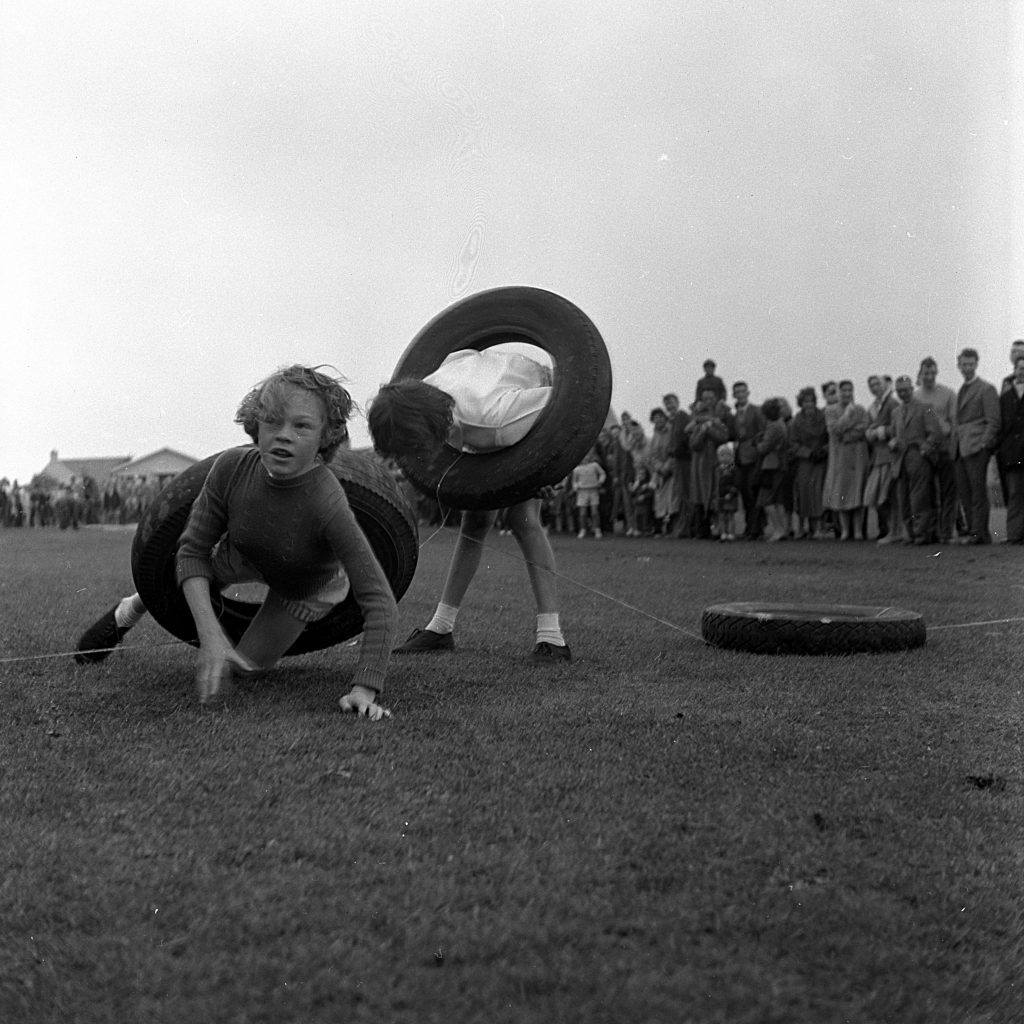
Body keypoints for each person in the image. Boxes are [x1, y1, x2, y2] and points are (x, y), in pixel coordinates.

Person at [75, 365, 398, 720]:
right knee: (175, 578)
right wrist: (210, 635)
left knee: (244, 670)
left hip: (305, 585)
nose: (284, 436)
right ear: (255, 425)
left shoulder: (328, 502)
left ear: (325, 436)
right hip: (243, 554)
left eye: (301, 426)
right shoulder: (230, 468)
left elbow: (379, 598)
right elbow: (193, 552)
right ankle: (131, 607)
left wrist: (364, 689)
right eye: (272, 421)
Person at [368, 347, 571, 663]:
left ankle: (551, 637)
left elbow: (566, 404)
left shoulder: (498, 421)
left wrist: (549, 467)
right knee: (474, 523)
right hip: (468, 377)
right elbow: (457, 355)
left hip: (522, 395)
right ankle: (441, 627)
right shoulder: (423, 393)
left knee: (523, 519)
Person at [952, 347, 1000, 545]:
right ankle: (974, 531)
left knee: (978, 492)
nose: (967, 368)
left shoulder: (986, 389)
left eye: (970, 364)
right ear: (959, 365)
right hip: (960, 448)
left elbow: (994, 421)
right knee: (965, 492)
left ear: (976, 364)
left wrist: (983, 444)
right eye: (963, 364)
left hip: (976, 448)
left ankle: (979, 533)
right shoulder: (961, 389)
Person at [889, 374, 943, 545]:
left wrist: (923, 450)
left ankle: (922, 533)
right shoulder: (896, 412)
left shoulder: (925, 407)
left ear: (912, 389)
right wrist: (892, 443)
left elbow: (935, 433)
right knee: (903, 497)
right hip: (900, 459)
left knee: (919, 497)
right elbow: (892, 434)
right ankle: (910, 533)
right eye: (899, 391)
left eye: (906, 390)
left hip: (918, 456)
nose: (903, 394)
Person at [914, 357, 958, 543]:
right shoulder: (916, 396)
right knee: (927, 492)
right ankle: (929, 532)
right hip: (925, 450)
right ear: (920, 373)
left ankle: (946, 532)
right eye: (926, 373)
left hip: (945, 448)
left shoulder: (948, 394)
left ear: (936, 373)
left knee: (948, 492)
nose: (929, 376)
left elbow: (954, 422)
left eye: (932, 373)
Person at [823, 380, 869, 540]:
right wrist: (847, 416)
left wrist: (847, 435)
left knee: (857, 492)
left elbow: (863, 428)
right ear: (839, 392)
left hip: (857, 455)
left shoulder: (861, 410)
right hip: (840, 456)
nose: (847, 394)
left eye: (850, 391)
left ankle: (857, 530)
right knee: (841, 492)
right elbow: (834, 430)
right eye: (844, 391)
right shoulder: (830, 410)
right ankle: (845, 530)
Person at [686, 388, 730, 538]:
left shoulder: (719, 419)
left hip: (715, 462)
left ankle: (719, 528)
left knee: (714, 495)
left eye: (711, 398)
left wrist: (709, 429)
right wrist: (703, 430)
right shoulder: (697, 423)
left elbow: (723, 437)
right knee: (699, 496)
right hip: (699, 464)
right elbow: (693, 444)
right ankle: (702, 529)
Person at [863, 374, 901, 543]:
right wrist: (871, 433)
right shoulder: (874, 406)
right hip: (878, 457)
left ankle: (895, 531)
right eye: (871, 385)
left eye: (877, 384)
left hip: (889, 456)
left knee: (889, 496)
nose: (874, 387)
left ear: (885, 385)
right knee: (879, 496)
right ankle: (892, 530)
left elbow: (898, 427)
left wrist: (879, 432)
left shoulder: (892, 403)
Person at [788, 386, 829, 539]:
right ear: (801, 403)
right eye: (805, 401)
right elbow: (793, 443)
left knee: (817, 492)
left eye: (811, 401)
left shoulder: (823, 417)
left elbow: (829, 437)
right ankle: (801, 527)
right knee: (803, 492)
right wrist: (807, 453)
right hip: (805, 460)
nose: (808, 404)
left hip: (821, 459)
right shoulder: (796, 421)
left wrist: (823, 450)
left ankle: (818, 527)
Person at [728, 381, 766, 540]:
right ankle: (749, 527)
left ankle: (756, 528)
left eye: (743, 391)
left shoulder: (756, 411)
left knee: (753, 492)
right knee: (744, 493)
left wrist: (754, 446)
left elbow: (762, 431)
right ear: (734, 394)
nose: (740, 394)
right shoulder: (734, 414)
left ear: (748, 393)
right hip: (739, 457)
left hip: (753, 455)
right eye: (737, 392)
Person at [996, 354, 1024, 544]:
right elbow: (1000, 425)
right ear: (1014, 371)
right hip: (1013, 453)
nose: (1022, 372)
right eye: (1020, 368)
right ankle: (1014, 534)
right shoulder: (1005, 397)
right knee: (1014, 493)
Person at [754, 398, 790, 541]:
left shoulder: (774, 426)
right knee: (778, 500)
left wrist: (758, 442)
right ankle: (782, 529)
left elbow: (764, 447)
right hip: (780, 464)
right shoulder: (781, 424)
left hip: (771, 465)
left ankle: (778, 529)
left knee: (766, 500)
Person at [572, 448, 607, 539]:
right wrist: (576, 487)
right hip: (582, 492)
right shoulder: (577, 469)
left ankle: (597, 529)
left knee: (594, 512)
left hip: (593, 490)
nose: (586, 458)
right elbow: (574, 481)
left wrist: (600, 481)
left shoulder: (594, 465)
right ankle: (582, 529)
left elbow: (603, 474)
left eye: (587, 456)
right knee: (582, 513)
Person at [714, 444, 739, 541]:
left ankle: (731, 533)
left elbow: (737, 483)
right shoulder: (717, 470)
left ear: (732, 457)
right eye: (722, 455)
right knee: (721, 516)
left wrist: (731, 493)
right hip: (720, 497)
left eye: (727, 455)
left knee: (730, 516)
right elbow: (716, 484)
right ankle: (723, 533)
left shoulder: (733, 469)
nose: (724, 458)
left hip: (730, 496)